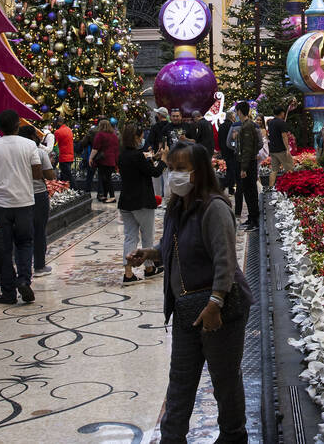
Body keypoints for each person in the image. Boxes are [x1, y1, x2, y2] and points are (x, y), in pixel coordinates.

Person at [127, 142, 251, 444]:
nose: (173, 175)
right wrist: (150, 253)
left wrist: (215, 303)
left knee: (224, 379)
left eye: (180, 169)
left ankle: (234, 436)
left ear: (198, 172)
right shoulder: (177, 207)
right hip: (185, 307)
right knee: (181, 379)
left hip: (218, 307)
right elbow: (173, 246)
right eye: (171, 168)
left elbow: (225, 261)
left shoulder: (215, 208)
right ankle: (172, 437)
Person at [0, 109, 42, 305]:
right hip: (24, 202)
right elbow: (37, 173)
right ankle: (24, 279)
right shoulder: (30, 144)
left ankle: (8, 292)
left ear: (0, 127)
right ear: (18, 125)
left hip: (0, 204)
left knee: (3, 248)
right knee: (25, 243)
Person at [118, 124, 164, 286]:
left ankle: (128, 273)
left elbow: (142, 166)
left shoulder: (123, 155)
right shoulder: (137, 156)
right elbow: (154, 172)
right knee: (147, 236)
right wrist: (163, 161)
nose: (141, 140)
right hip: (142, 201)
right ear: (135, 138)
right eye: (140, 137)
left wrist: (153, 159)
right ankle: (149, 269)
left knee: (130, 236)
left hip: (126, 201)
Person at [18, 124, 57, 278]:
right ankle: (39, 266)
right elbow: (49, 175)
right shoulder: (39, 152)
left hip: (19, 194)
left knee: (22, 232)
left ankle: (23, 268)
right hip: (38, 194)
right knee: (39, 229)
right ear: (33, 137)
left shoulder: (16, 152)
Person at [234, 102, 260, 230]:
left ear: (239, 111)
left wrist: (244, 168)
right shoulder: (246, 125)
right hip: (247, 163)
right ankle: (251, 218)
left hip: (248, 164)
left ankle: (255, 220)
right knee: (248, 192)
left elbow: (247, 149)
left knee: (250, 192)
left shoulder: (247, 126)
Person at [142, 107, 173, 198]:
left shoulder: (155, 127)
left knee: (156, 179)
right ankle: (167, 200)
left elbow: (150, 140)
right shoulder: (170, 126)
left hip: (157, 155)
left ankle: (158, 199)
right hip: (168, 154)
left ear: (159, 115)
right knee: (167, 178)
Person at [91, 119, 120, 203]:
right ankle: (104, 195)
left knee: (106, 179)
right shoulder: (114, 135)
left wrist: (91, 158)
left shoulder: (100, 135)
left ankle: (112, 196)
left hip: (103, 160)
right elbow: (116, 149)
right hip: (112, 160)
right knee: (107, 178)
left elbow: (95, 148)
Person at [265, 107, 294, 188]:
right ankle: (291, 187)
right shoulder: (281, 122)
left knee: (274, 170)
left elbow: (268, 135)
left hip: (273, 150)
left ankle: (270, 187)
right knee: (289, 168)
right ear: (281, 113)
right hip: (281, 150)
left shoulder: (270, 122)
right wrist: (287, 149)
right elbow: (284, 136)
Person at [217, 111, 237, 195]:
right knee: (231, 170)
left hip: (224, 150)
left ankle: (228, 187)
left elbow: (220, 139)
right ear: (232, 117)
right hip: (231, 151)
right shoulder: (232, 126)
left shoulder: (221, 126)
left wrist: (221, 149)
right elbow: (232, 140)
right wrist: (234, 147)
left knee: (228, 169)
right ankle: (226, 186)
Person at [53, 117, 75, 183]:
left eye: (56, 123)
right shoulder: (69, 130)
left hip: (63, 157)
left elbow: (55, 145)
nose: (55, 125)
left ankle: (75, 189)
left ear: (59, 122)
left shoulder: (58, 132)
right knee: (65, 175)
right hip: (70, 156)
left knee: (67, 176)